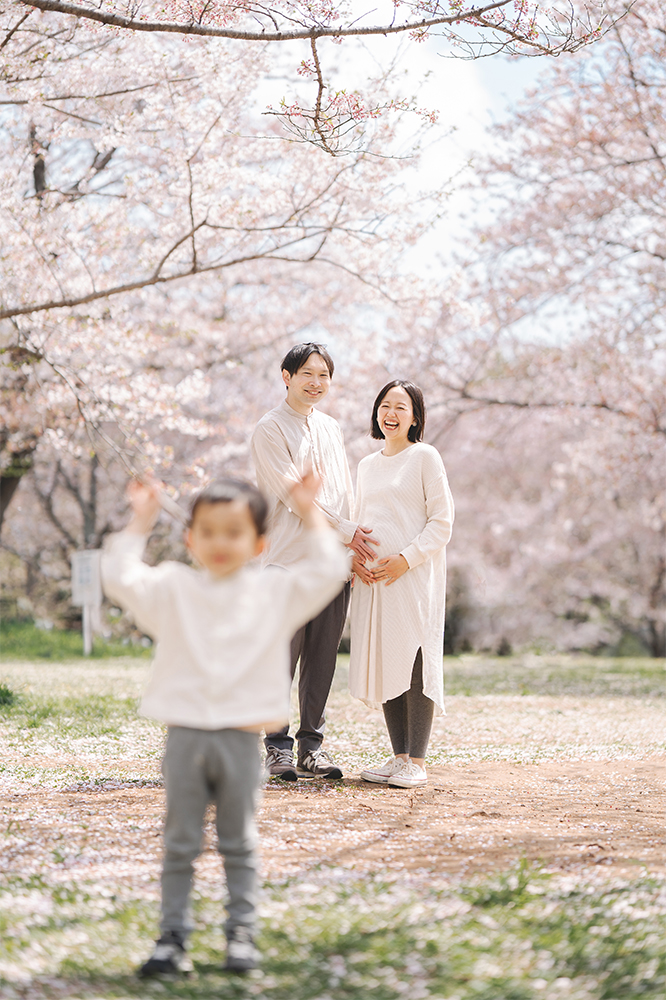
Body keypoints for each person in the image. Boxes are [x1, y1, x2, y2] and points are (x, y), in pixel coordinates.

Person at [101, 473, 348, 976]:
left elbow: (329, 567)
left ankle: (241, 936)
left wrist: (309, 508)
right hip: (185, 736)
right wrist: (141, 520)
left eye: (233, 532)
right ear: (190, 539)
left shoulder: (274, 590)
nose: (220, 543)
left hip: (240, 738)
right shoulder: (173, 587)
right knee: (180, 842)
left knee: (238, 842)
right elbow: (120, 576)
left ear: (258, 543)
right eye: (208, 531)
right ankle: (172, 939)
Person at [251, 343, 378, 781]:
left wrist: (349, 551)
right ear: (286, 376)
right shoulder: (269, 430)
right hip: (287, 564)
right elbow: (293, 495)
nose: (316, 382)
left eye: (324, 375)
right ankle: (276, 748)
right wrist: (348, 533)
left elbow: (343, 495)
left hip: (331, 565)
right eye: (307, 373)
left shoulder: (331, 428)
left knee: (322, 661)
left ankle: (311, 748)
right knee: (279, 660)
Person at [349, 380, 454, 789]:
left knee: (414, 660)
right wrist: (357, 562)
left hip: (412, 576)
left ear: (415, 417)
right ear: (377, 412)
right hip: (375, 581)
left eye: (401, 407)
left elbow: (441, 522)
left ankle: (418, 760)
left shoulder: (424, 457)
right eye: (385, 405)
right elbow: (360, 520)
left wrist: (404, 560)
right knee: (387, 659)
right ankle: (398, 758)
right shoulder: (366, 465)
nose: (391, 413)